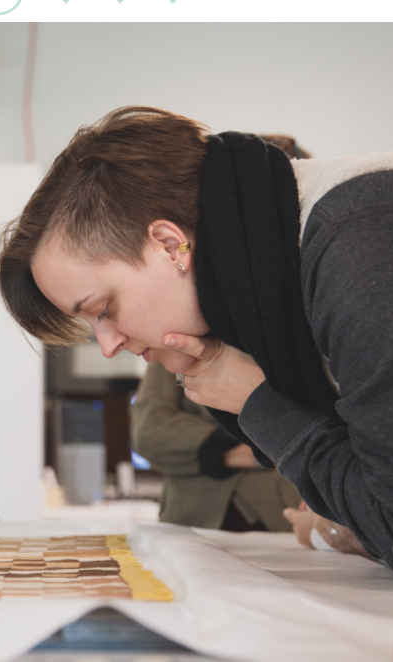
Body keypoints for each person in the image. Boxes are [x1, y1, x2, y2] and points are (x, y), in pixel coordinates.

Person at [0, 106, 393, 578]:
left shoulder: (363, 244)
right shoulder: (283, 276)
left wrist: (260, 404)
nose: (109, 345)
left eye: (103, 310)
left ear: (170, 244)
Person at [129, 136, 308, 533]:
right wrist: (245, 450)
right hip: (192, 521)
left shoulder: (314, 306)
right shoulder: (182, 321)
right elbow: (149, 430)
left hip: (290, 522)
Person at [132, 361, 301, 530]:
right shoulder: (174, 348)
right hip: (190, 516)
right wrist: (244, 453)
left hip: (285, 514)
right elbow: (149, 430)